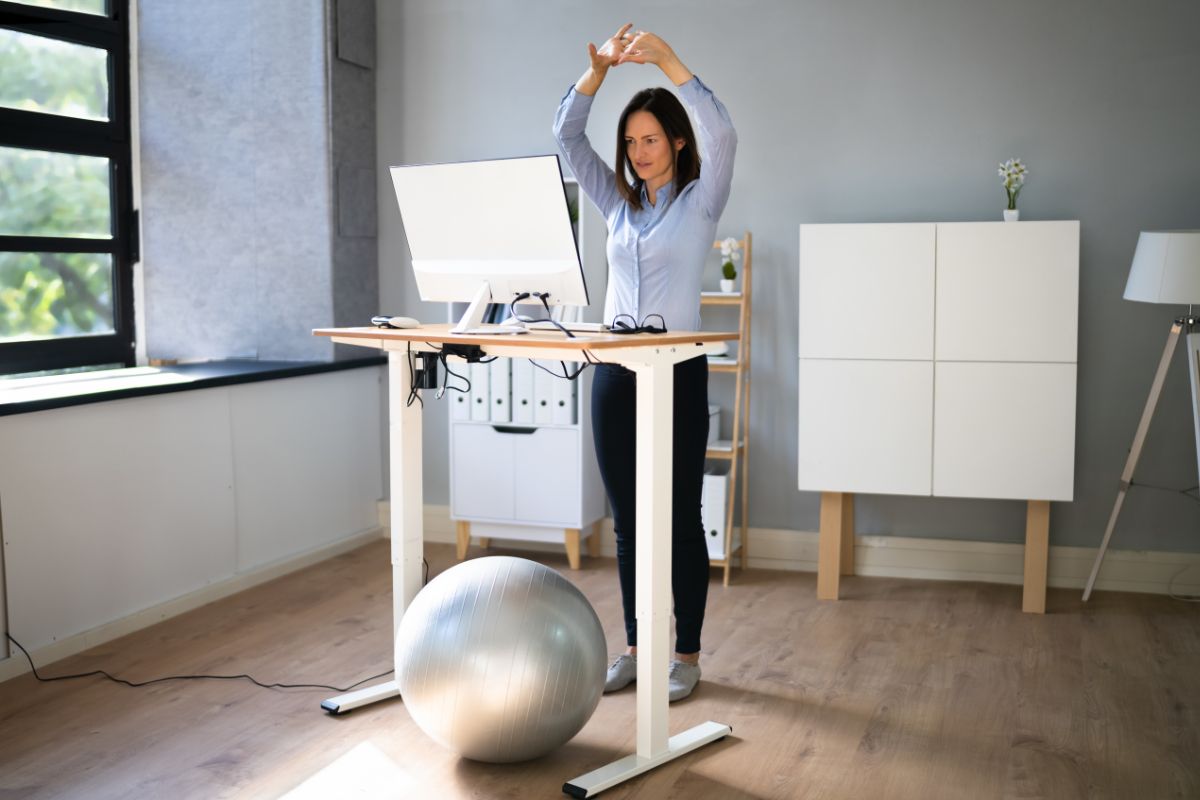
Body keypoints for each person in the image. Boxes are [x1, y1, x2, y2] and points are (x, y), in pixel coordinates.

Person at [552, 24, 736, 702]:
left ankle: (684, 655)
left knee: (680, 516)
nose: (638, 152)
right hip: (614, 372)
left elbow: (724, 136)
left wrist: (667, 61)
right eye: (630, 142)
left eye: (650, 139)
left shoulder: (699, 202)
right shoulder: (616, 205)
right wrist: (596, 76)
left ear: (677, 142)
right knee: (628, 519)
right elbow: (567, 140)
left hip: (676, 371)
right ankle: (636, 647)